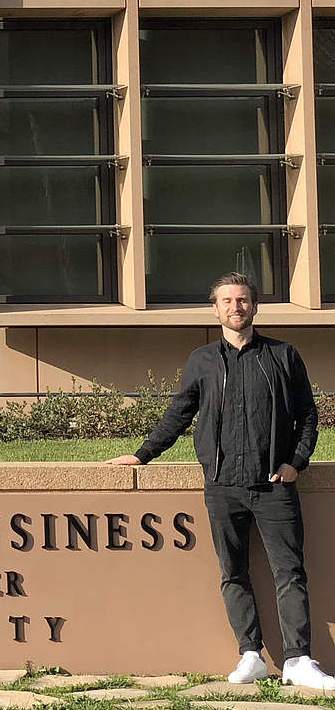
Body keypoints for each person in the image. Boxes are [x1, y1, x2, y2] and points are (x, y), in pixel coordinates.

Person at [108, 272, 332, 688]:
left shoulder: (283, 356)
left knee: (290, 572)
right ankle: (251, 656)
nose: (236, 307)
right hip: (222, 485)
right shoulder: (203, 361)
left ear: (255, 306)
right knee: (233, 572)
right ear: (216, 309)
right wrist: (142, 454)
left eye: (243, 300)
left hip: (274, 487)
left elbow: (308, 416)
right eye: (227, 301)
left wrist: (296, 462)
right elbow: (179, 413)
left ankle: (299, 660)